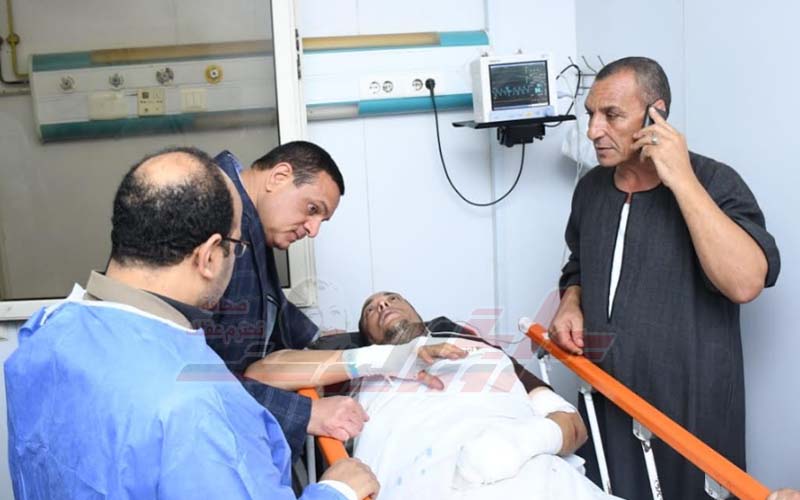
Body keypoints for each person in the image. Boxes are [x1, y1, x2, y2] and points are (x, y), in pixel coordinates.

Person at [4, 147, 378, 500]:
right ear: (210, 257)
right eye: (237, 246)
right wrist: (338, 490)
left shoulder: (44, 335)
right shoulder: (199, 404)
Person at [550, 56, 780, 499]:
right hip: (607, 397)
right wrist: (571, 301)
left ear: (655, 115)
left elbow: (746, 282)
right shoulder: (592, 189)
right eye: (591, 114)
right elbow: (578, 264)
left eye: (612, 115)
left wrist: (681, 180)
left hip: (689, 411)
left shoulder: (714, 182)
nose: (594, 130)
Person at [246, 292, 612, 500]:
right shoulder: (360, 372)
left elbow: (572, 425)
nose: (383, 305)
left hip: (536, 473)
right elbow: (261, 373)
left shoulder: (482, 353)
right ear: (365, 336)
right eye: (371, 309)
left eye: (392, 298)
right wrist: (383, 359)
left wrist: (512, 446)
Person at [208, 142, 365, 461]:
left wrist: (320, 340)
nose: (313, 230)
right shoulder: (215, 216)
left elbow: (268, 302)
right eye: (312, 209)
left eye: (321, 219)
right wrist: (305, 413)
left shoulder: (251, 219)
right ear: (279, 177)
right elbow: (190, 375)